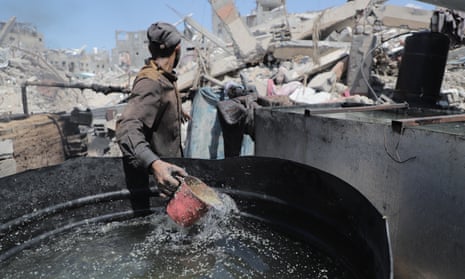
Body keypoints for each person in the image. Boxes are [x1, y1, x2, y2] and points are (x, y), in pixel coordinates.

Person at [116, 22, 189, 214]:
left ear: (150, 48)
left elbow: (157, 101)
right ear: (178, 49)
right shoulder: (151, 82)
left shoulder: (164, 76)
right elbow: (127, 129)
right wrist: (154, 164)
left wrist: (176, 110)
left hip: (170, 175)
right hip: (158, 184)